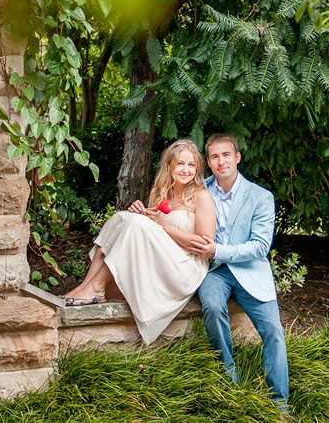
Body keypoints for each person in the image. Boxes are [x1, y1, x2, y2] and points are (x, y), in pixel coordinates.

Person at [62, 139, 216, 345]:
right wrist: (141, 213)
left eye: (191, 165)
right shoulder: (160, 193)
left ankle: (96, 287)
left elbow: (204, 246)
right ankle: (87, 287)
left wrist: (162, 224)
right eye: (180, 163)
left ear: (197, 169)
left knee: (135, 224)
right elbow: (152, 233)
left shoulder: (201, 196)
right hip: (162, 260)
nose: (185, 169)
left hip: (186, 267)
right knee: (121, 218)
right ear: (169, 165)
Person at [188, 134, 289, 409]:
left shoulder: (260, 197)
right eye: (214, 157)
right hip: (215, 271)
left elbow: (259, 247)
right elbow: (168, 205)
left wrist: (218, 250)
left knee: (273, 331)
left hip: (251, 272)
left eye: (226, 155)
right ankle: (229, 381)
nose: (221, 161)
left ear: (237, 157)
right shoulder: (199, 191)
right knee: (211, 305)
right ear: (208, 162)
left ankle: (279, 404)